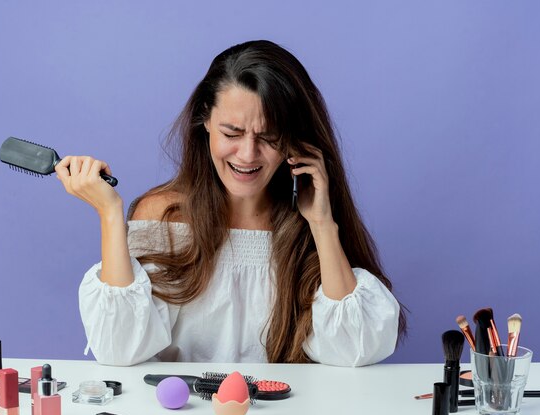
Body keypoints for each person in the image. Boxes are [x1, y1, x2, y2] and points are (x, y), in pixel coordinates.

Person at [55, 40, 406, 367]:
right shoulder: (164, 215)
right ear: (205, 121)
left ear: (293, 140)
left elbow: (356, 349)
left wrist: (322, 224)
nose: (248, 154)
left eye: (268, 137)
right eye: (232, 134)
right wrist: (110, 214)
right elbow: (120, 348)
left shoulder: (306, 226)